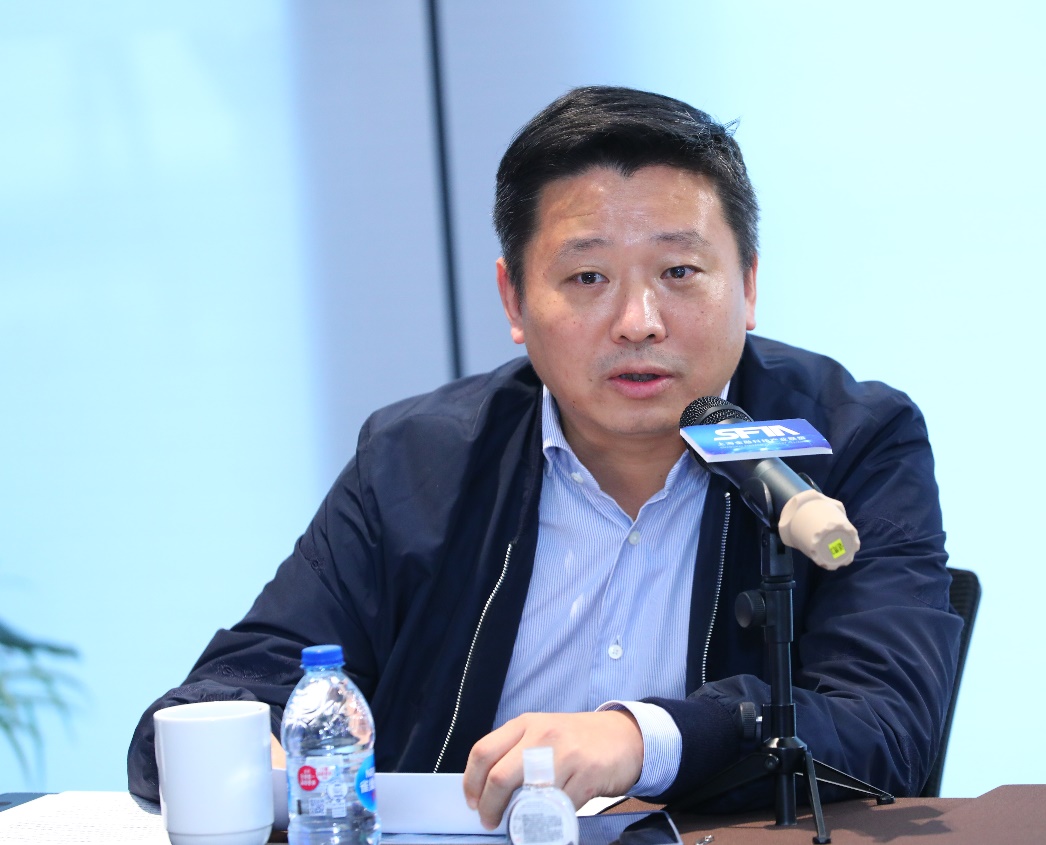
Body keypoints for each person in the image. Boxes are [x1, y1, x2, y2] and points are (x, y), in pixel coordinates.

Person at [127, 86, 963, 822]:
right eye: (587, 278)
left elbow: (886, 726)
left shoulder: (848, 440)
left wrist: (638, 738)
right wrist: (254, 750)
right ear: (513, 299)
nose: (638, 321)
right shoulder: (416, 460)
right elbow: (235, 685)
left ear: (746, 284)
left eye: (679, 270)